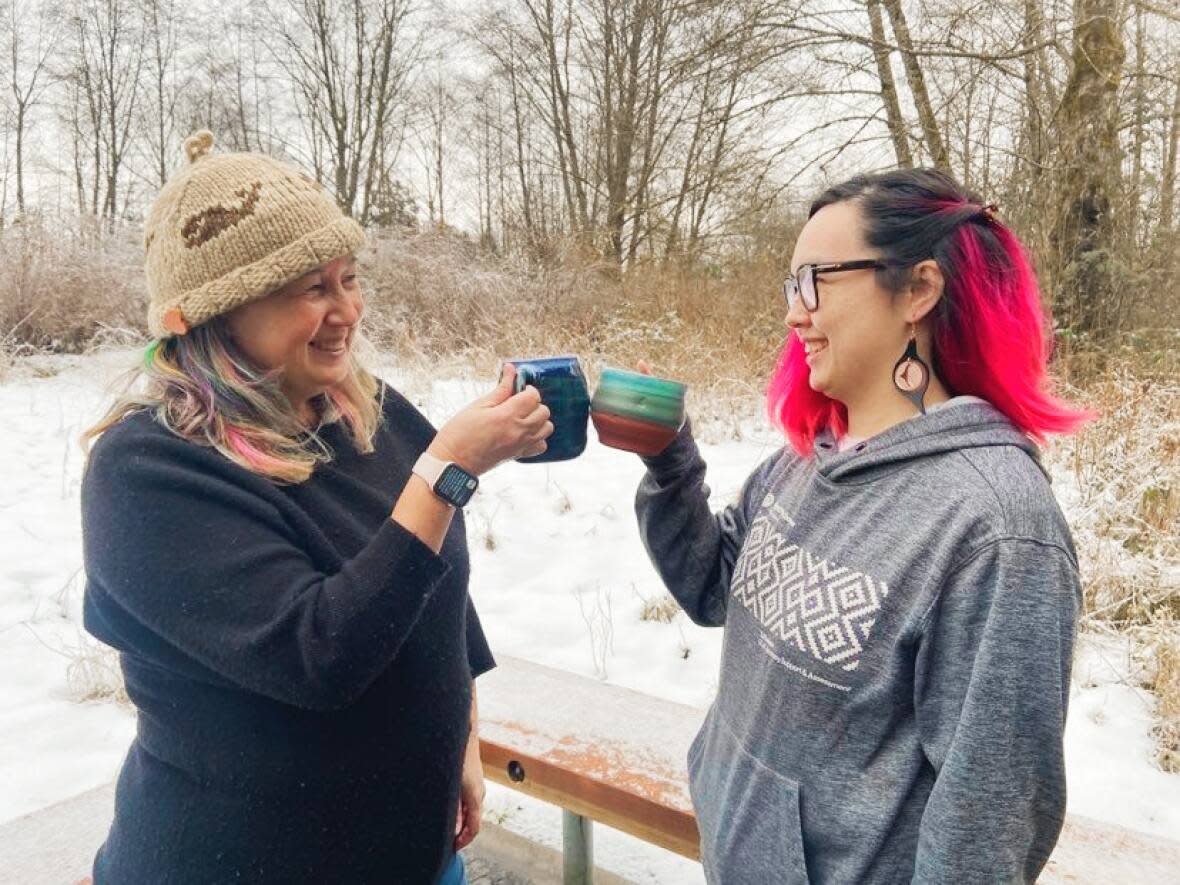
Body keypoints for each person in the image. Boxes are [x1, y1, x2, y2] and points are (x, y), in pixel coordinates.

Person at [80, 131, 552, 884]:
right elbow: (318, 655)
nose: (347, 311)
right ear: (221, 311)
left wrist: (460, 736)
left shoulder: (371, 412)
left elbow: (437, 581)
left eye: (349, 277)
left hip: (413, 857)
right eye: (311, 287)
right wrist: (447, 470)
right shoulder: (148, 472)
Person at [634, 168, 1091, 883]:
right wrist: (668, 462)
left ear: (918, 290)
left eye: (815, 280)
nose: (795, 313)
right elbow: (710, 586)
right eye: (791, 286)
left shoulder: (995, 529)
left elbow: (986, 826)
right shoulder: (808, 460)